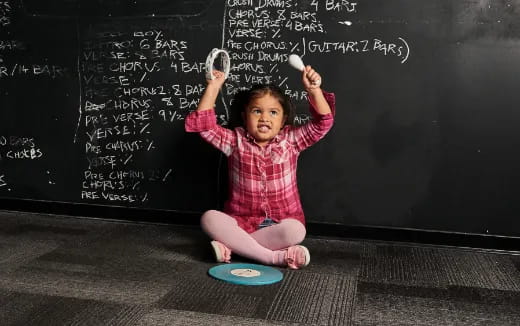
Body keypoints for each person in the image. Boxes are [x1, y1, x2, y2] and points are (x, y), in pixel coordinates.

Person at [185, 65, 335, 269]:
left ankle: (233, 246)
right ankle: (273, 257)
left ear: (283, 121)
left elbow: (323, 123)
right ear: (245, 116)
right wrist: (214, 85)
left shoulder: (291, 140)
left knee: (296, 231)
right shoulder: (234, 141)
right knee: (209, 218)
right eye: (257, 111)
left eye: (273, 112)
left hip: (280, 223)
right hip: (239, 222)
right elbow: (204, 126)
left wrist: (314, 90)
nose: (264, 118)